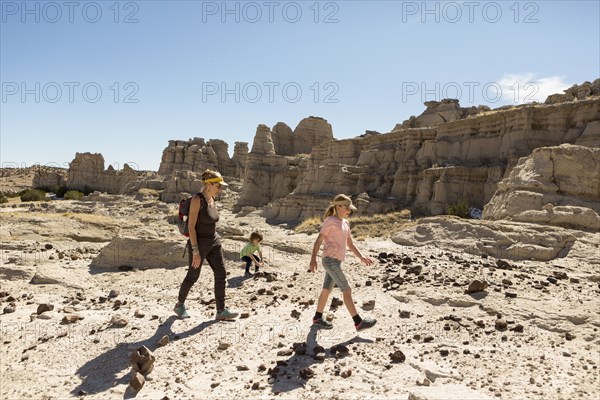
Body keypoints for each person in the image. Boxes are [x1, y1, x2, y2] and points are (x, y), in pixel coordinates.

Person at [174, 169, 239, 321]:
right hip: (199, 242)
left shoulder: (212, 199)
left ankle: (221, 310)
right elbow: (191, 227)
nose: (220, 189)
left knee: (221, 274)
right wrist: (195, 251)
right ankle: (179, 305)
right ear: (209, 184)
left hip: (213, 241)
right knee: (193, 275)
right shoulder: (198, 199)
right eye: (218, 186)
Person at [309, 194, 376, 331]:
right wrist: (313, 258)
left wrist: (361, 257)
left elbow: (350, 243)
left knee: (326, 290)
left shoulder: (345, 223)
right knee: (347, 290)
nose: (349, 211)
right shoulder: (330, 221)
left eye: (350, 209)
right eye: (347, 208)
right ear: (338, 206)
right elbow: (318, 241)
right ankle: (358, 323)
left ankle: (317, 318)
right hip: (329, 261)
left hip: (337, 262)